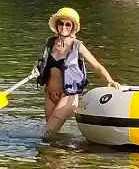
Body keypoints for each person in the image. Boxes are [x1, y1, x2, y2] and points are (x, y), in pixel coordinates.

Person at [33, 8, 119, 137]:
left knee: (47, 132)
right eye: (61, 23)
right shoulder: (50, 43)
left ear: (73, 27)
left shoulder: (77, 46)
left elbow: (96, 65)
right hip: (49, 95)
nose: (64, 27)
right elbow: (42, 64)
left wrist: (109, 80)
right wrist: (35, 69)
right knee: (52, 135)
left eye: (68, 24)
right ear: (57, 25)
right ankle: (61, 155)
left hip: (67, 96)